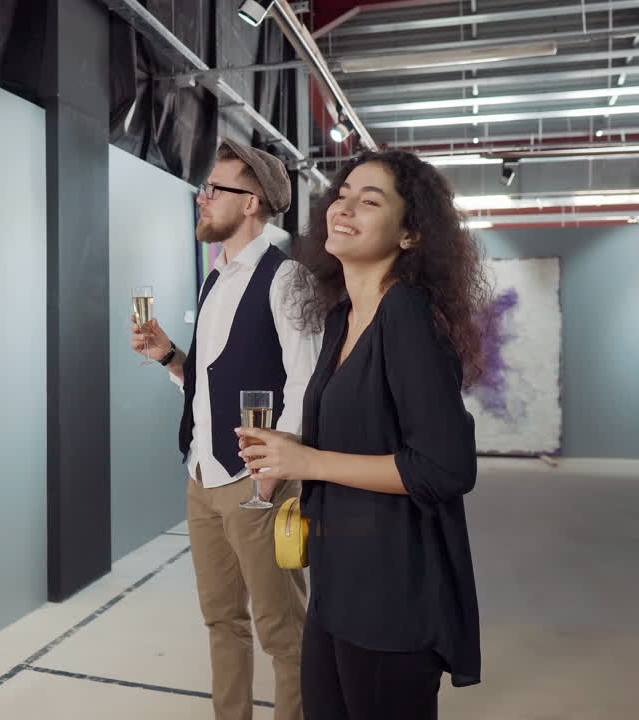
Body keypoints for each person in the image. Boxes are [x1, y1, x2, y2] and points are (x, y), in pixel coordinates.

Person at [235, 150, 489, 719]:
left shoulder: (408, 317)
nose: (344, 207)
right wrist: (287, 458)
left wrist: (311, 463)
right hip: (337, 583)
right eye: (342, 193)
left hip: (392, 594)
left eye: (370, 201)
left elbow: (445, 468)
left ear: (411, 234)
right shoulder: (343, 316)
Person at [131, 138, 321, 720]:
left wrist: (268, 481)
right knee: (222, 621)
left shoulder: (288, 278)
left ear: (252, 203)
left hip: (256, 483)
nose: (202, 198)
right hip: (203, 476)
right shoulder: (217, 278)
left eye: (216, 189)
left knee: (283, 632)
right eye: (204, 187)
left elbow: (306, 389)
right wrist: (170, 357)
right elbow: (212, 385)